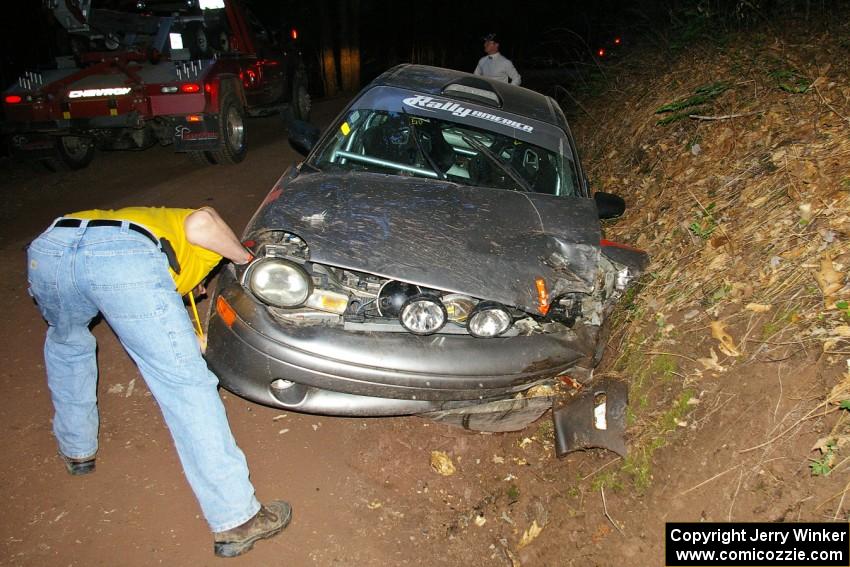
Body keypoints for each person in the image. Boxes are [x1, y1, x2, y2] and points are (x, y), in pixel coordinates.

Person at [26, 206, 289, 558]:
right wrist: (244, 258)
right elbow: (203, 220)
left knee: (67, 344)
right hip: (124, 255)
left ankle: (77, 450)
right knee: (184, 384)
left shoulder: (156, 225)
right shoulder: (198, 246)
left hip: (52, 248)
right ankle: (236, 518)